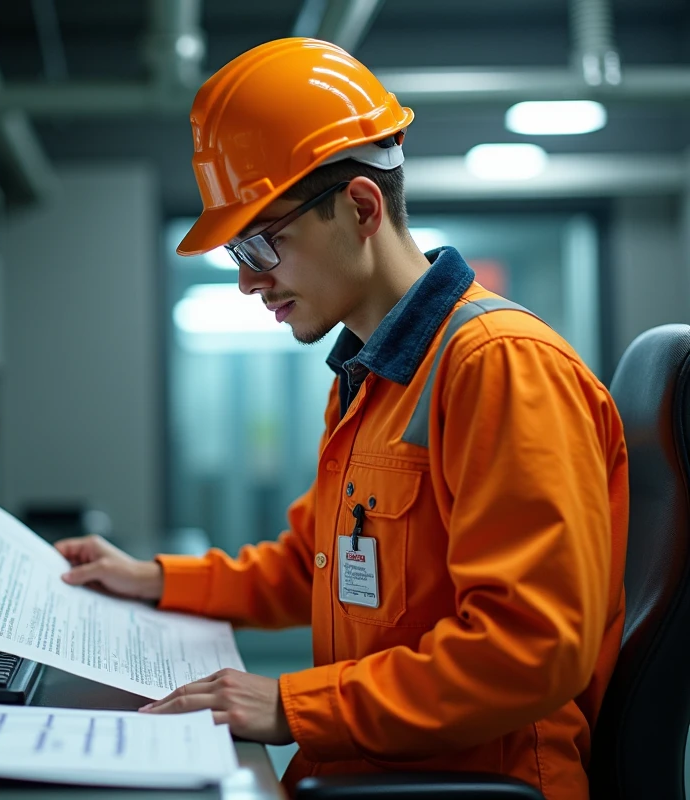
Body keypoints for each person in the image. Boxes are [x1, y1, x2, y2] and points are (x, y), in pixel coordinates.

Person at [55, 38, 627, 800]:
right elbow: (312, 566)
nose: (249, 282)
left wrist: (291, 705)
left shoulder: (498, 366)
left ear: (359, 207)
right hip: (375, 773)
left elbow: (528, 648)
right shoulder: (371, 375)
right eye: (237, 254)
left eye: (263, 243)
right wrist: (152, 578)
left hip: (476, 786)